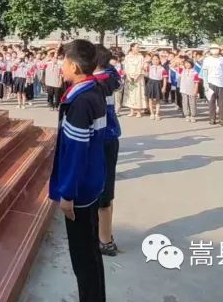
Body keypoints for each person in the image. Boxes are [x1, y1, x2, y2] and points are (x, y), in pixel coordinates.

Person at [49, 39, 107, 302]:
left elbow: (75, 152)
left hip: (80, 190)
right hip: (93, 181)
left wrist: (67, 194)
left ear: (73, 65)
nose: (60, 66)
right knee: (91, 253)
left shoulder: (81, 102)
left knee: (82, 256)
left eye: (63, 61)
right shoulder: (93, 92)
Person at [93, 45, 122, 258]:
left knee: (101, 191)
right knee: (106, 189)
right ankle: (106, 236)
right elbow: (113, 72)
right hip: (109, 138)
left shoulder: (95, 83)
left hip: (100, 138)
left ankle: (104, 239)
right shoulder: (109, 75)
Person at [201, 45, 223, 126]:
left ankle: (222, 119)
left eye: (216, 48)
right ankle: (212, 118)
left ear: (219, 50)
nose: (214, 50)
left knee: (222, 103)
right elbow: (204, 72)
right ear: (210, 50)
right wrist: (205, 83)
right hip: (211, 83)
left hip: (222, 83)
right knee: (211, 102)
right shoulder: (207, 59)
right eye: (213, 49)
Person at [123, 44, 146, 117]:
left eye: (138, 47)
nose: (138, 48)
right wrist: (128, 76)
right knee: (131, 94)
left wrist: (137, 76)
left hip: (138, 79)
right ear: (132, 48)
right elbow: (125, 67)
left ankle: (139, 111)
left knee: (138, 94)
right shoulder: (127, 57)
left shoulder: (141, 57)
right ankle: (131, 110)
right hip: (129, 78)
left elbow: (141, 67)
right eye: (137, 47)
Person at [179, 58, 198, 123]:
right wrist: (179, 56)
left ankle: (193, 116)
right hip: (183, 89)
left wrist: (195, 90)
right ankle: (187, 115)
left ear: (191, 64)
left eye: (188, 63)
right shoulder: (182, 70)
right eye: (186, 63)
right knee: (185, 102)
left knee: (192, 103)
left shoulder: (195, 72)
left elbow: (196, 83)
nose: (187, 64)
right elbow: (172, 65)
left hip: (192, 90)